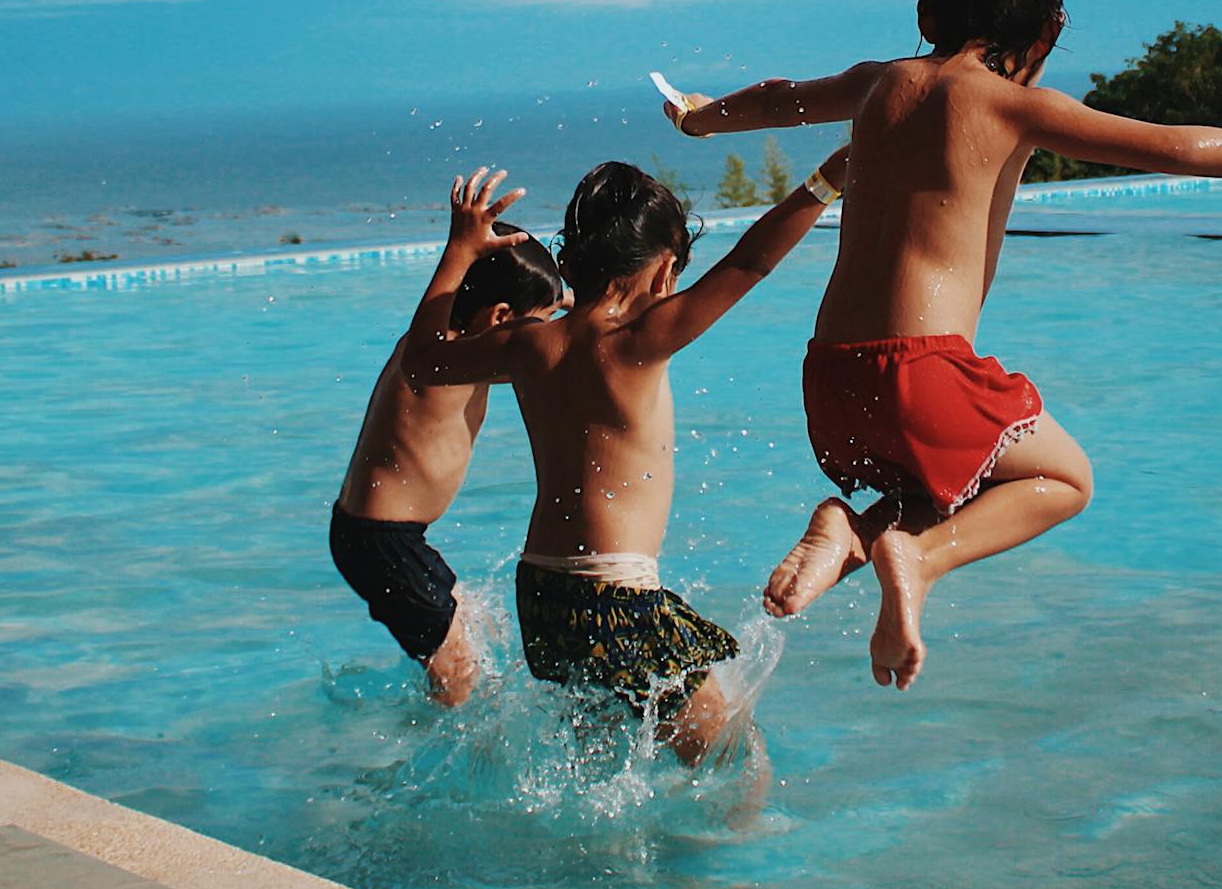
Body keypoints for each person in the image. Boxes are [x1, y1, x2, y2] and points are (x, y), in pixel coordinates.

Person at [661, 0, 1222, 689]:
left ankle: (850, 531)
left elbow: (779, 98)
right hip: (925, 372)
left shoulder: (877, 83)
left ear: (925, 11)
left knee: (949, 480)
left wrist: (698, 120)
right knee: (1062, 479)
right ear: (1049, 29)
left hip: (832, 376)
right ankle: (910, 554)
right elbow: (1180, 148)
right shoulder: (1014, 104)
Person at [402, 157, 842, 779]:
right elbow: (750, 262)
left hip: (543, 598)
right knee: (739, 762)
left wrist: (458, 251)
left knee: (606, 756)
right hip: (616, 598)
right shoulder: (638, 339)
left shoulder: (531, 344)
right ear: (664, 266)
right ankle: (725, 873)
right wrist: (825, 183)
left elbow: (420, 361)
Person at [329, 211, 565, 704]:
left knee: (476, 624)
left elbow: (553, 332)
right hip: (381, 540)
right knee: (459, 675)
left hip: (384, 535)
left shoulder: (467, 353)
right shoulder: (433, 358)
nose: (543, 333)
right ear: (500, 318)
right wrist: (459, 248)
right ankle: (438, 764)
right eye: (537, 324)